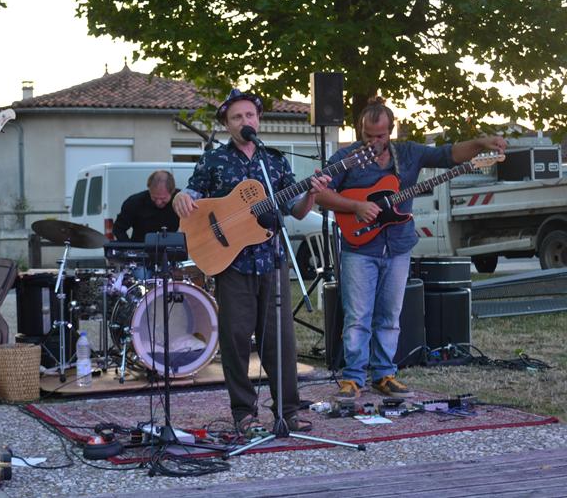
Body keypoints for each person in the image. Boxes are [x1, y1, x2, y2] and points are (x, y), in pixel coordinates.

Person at [314, 97, 506, 400]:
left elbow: (449, 154)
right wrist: (356, 206)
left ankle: (384, 374)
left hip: (399, 245)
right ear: (360, 131)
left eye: (380, 136)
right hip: (359, 247)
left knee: (390, 315)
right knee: (357, 316)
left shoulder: (409, 153)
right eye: (367, 135)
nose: (374, 142)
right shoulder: (347, 157)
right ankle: (352, 378)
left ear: (391, 131)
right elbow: (320, 195)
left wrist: (481, 143)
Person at [173, 89, 330, 435]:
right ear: (227, 124)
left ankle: (288, 410)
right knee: (236, 339)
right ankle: (243, 412)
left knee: (280, 341)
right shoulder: (213, 161)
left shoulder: (273, 160)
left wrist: (313, 192)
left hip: (272, 260)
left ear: (258, 120)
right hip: (232, 264)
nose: (246, 122)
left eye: (250, 116)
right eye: (237, 117)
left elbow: (298, 211)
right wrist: (180, 198)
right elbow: (192, 198)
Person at [112, 170, 180, 242]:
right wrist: (130, 248)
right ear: (149, 189)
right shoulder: (134, 203)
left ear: (172, 192)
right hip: (141, 248)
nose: (158, 202)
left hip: (171, 249)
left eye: (163, 198)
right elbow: (118, 229)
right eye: (154, 197)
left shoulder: (181, 201)